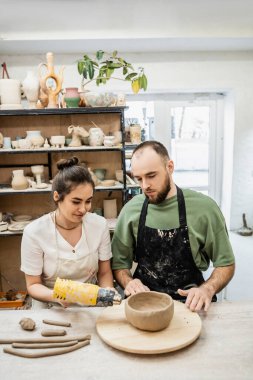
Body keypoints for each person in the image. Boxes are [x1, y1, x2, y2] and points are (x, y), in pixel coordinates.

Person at [112, 141, 235, 312]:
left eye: (151, 175)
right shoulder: (130, 211)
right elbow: (119, 265)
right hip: (144, 303)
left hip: (190, 304)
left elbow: (226, 263)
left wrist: (207, 289)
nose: (144, 185)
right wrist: (129, 282)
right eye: (139, 178)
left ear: (170, 167)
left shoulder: (205, 209)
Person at [21, 157, 114, 309]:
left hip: (90, 306)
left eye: (88, 201)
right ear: (57, 197)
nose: (83, 209)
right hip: (50, 307)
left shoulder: (99, 225)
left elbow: (104, 273)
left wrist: (107, 296)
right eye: (76, 202)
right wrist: (57, 296)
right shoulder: (34, 232)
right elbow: (33, 285)